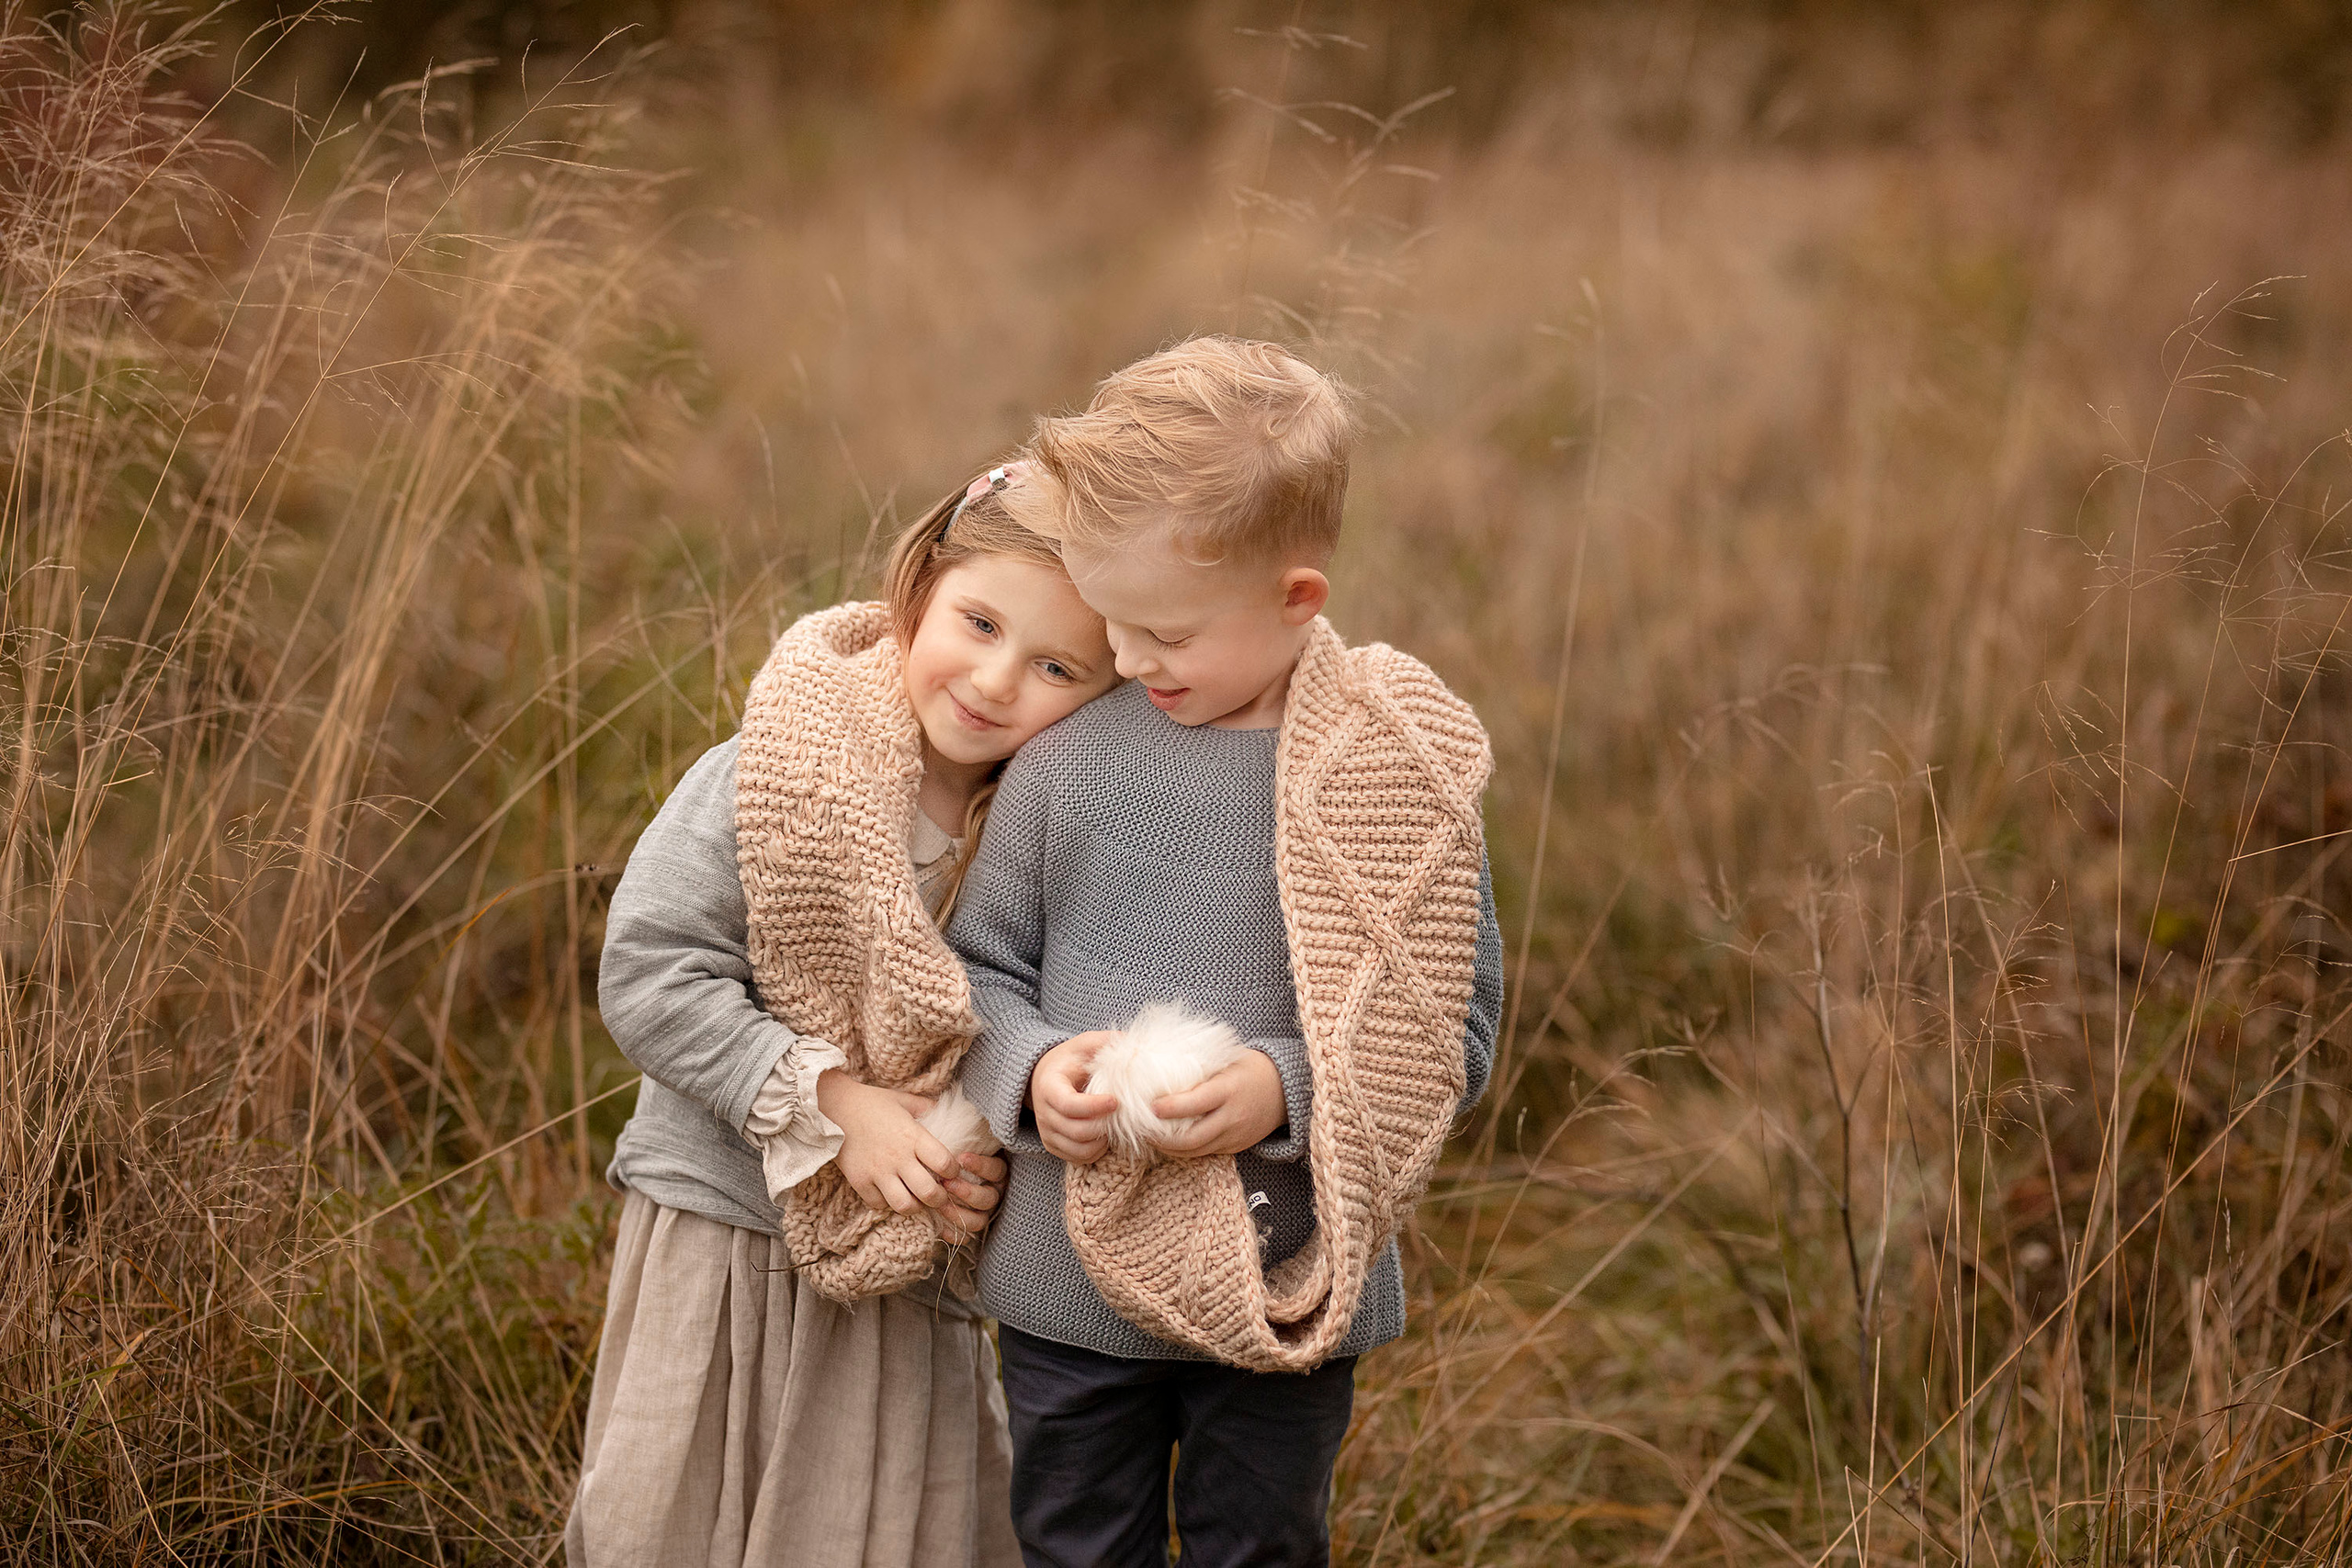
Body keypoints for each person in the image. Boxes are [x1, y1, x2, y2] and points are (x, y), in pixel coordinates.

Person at [948, 335, 1506, 1567]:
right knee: (1075, 1539)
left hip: (1288, 1272)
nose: (1130, 658)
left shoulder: (1386, 776)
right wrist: (1034, 1076)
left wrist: (1283, 1088)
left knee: (1263, 1540)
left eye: (1166, 629)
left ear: (1295, 597)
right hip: (1069, 1280)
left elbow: (1446, 1029)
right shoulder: (1067, 763)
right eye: (1113, 620)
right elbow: (978, 969)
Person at [567, 474, 1121, 1568]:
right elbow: (650, 971)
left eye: (1057, 666)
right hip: (725, 1229)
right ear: (920, 589)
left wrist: (981, 1144)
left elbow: (1020, 1019)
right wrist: (833, 1102)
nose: (997, 679)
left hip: (908, 1266)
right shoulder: (774, 774)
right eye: (979, 624)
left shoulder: (1050, 834)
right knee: (679, 1514)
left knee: (865, 1526)